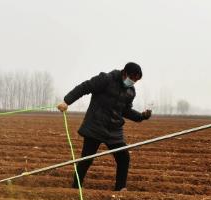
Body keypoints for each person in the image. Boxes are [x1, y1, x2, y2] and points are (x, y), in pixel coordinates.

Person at [57, 62, 152, 191]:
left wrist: (141, 116)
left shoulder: (130, 91)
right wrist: (66, 101)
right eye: (132, 78)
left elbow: (125, 111)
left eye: (136, 80)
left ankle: (120, 189)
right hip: (96, 125)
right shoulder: (106, 79)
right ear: (124, 73)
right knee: (87, 159)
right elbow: (85, 87)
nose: (133, 82)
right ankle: (76, 187)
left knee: (123, 157)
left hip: (114, 130)